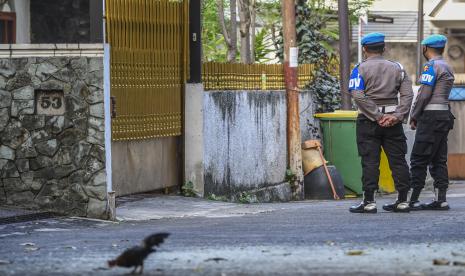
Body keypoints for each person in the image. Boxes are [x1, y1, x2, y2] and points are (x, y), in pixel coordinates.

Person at [348, 32, 414, 214]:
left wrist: (376, 116)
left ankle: (369, 202)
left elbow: (357, 95)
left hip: (368, 121)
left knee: (370, 161)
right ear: (384, 48)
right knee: (398, 160)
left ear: (364, 49)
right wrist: (397, 115)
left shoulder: (359, 69)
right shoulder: (398, 68)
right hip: (393, 120)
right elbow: (408, 94)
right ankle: (402, 201)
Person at [408, 34, 455, 211]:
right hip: (444, 115)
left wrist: (414, 115)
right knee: (439, 159)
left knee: (419, 158)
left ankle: (413, 199)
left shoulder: (431, 66)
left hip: (430, 117)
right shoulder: (448, 66)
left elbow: (425, 94)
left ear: (425, 48)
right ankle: (440, 199)